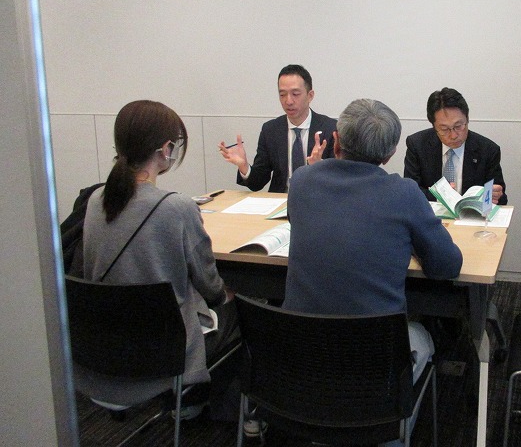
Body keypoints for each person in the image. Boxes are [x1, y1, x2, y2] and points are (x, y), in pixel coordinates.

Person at [283, 98, 463, 446]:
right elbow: (447, 266)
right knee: (422, 337)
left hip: (303, 354)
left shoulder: (302, 181)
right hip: (373, 364)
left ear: (336, 141)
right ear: (391, 153)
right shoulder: (403, 193)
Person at [80, 100, 239, 420]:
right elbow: (210, 286)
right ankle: (205, 406)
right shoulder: (177, 207)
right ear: (166, 150)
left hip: (103, 350)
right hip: (165, 356)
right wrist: (228, 296)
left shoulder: (96, 199)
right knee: (242, 312)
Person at [218, 64, 337, 193]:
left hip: (316, 201)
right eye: (282, 95)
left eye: (295, 94)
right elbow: (258, 183)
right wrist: (244, 166)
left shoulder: (330, 129)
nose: (288, 101)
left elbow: (339, 181)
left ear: (310, 95)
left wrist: (319, 167)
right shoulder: (271, 130)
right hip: (280, 201)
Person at [404, 87, 508, 205]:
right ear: (434, 126)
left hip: (470, 215)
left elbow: (501, 198)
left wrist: (496, 196)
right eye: (444, 129)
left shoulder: (488, 150)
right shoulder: (417, 145)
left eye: (458, 126)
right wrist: (442, 196)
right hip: (430, 215)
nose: (453, 135)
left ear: (467, 119)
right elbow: (410, 191)